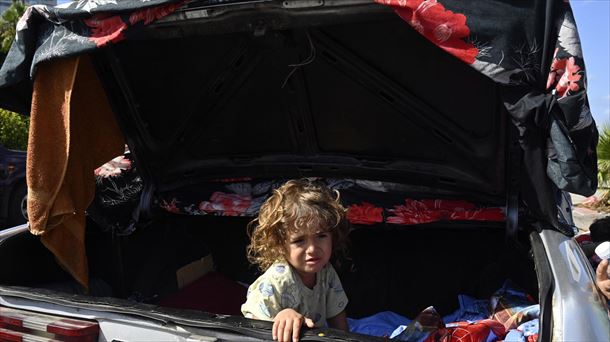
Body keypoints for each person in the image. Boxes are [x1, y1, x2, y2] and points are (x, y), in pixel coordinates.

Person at [241, 179, 350, 342]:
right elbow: (253, 328)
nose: (312, 249)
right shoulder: (274, 283)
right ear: (280, 245)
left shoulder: (326, 272)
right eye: (299, 240)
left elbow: (337, 317)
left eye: (321, 236)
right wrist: (282, 316)